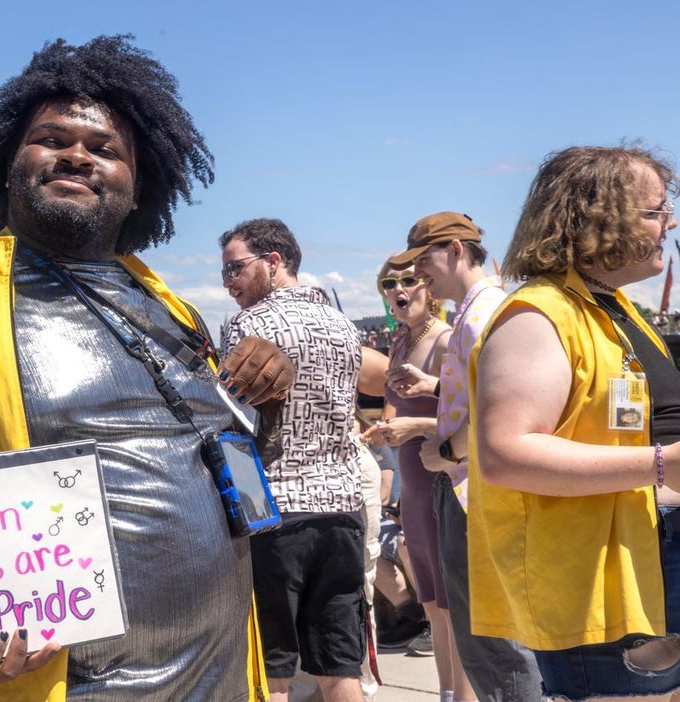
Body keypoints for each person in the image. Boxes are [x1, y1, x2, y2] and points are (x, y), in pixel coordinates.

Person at [0, 36, 297, 702]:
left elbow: (232, 465)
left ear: (136, 189)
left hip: (220, 678)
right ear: (7, 166)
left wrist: (261, 401)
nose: (76, 154)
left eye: (105, 149)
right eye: (51, 139)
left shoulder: (173, 307)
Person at [470, 144, 680, 700]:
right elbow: (506, 452)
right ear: (594, 217)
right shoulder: (538, 314)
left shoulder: (615, 308)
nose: (670, 222)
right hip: (595, 581)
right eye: (656, 210)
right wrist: (662, 465)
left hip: (645, 559)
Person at [386, 212, 542, 702]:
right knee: (486, 639)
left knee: (494, 644)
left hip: (475, 493)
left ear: (455, 250)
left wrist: (446, 448)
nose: (418, 278)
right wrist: (436, 386)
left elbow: (509, 413)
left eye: (422, 263)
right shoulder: (481, 311)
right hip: (471, 490)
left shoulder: (481, 316)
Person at [219, 218, 367, 702]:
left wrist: (240, 511)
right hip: (343, 505)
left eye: (236, 269)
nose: (229, 283)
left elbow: (233, 430)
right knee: (340, 665)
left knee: (271, 669)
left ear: (274, 262)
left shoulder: (250, 324)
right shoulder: (344, 325)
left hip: (276, 509)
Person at [362, 260, 470, 701]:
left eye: (409, 280)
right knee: (431, 603)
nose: (399, 289)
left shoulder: (444, 339)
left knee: (452, 602)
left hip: (440, 478)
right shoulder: (401, 341)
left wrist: (416, 427)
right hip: (412, 480)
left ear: (430, 288)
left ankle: (462, 694)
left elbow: (469, 413)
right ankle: (447, 693)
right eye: (390, 283)